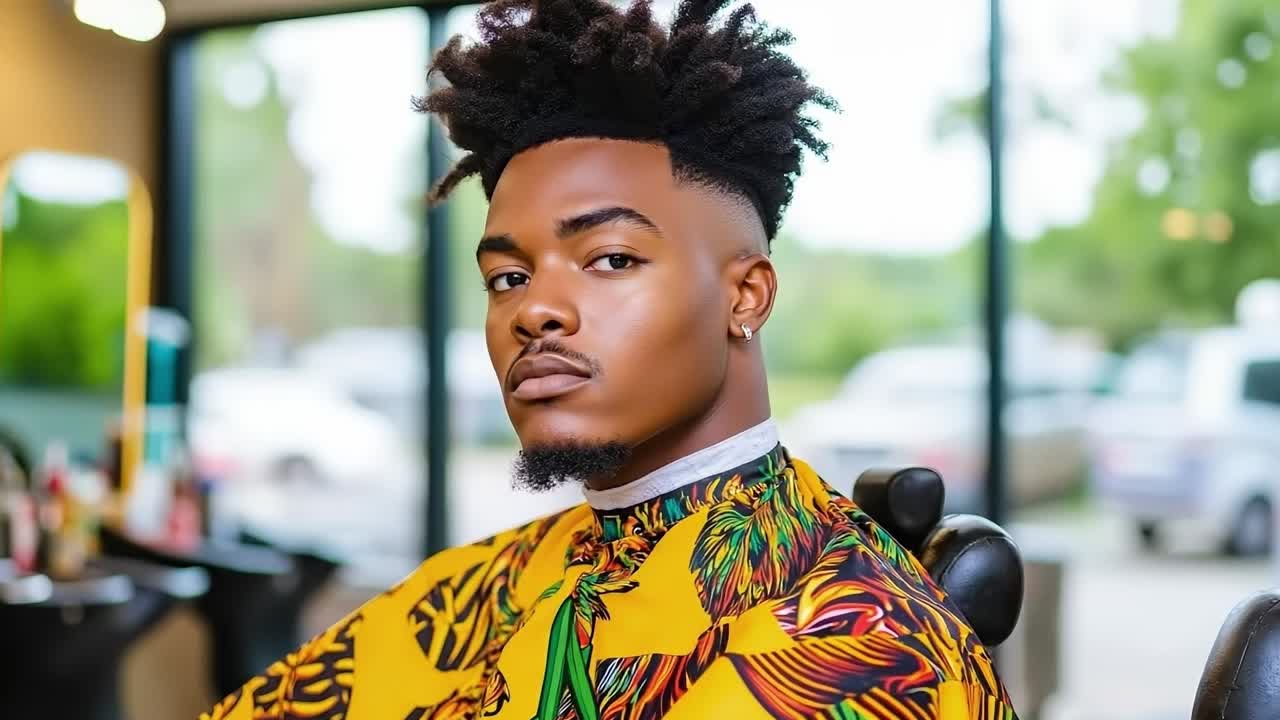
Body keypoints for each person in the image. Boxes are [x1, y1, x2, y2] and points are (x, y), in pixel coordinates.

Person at [203, 1, 1016, 718]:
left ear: (747, 297)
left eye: (611, 259)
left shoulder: (863, 646)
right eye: (507, 277)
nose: (534, 310)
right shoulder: (498, 576)